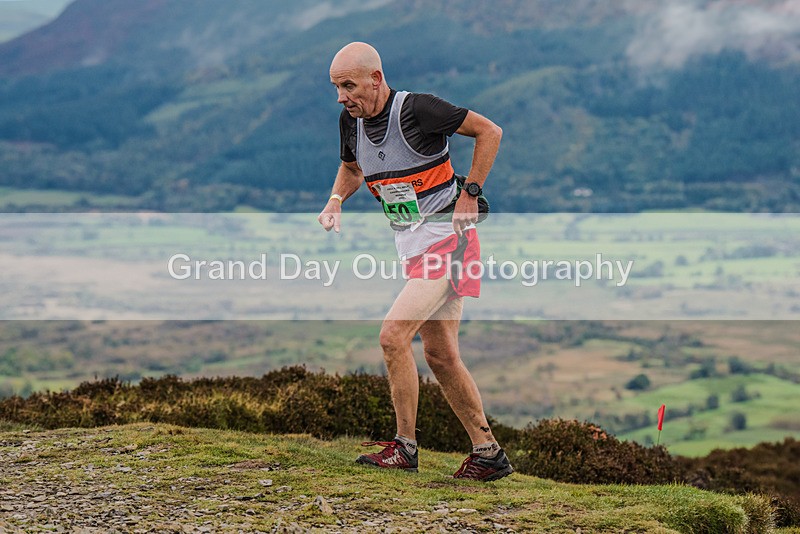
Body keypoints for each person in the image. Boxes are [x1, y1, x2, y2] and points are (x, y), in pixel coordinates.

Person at [317, 42, 512, 481]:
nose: (342, 97)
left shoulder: (419, 109)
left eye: (348, 85)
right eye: (336, 88)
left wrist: (471, 193)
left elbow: (490, 132)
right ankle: (488, 453)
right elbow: (352, 170)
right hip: (413, 248)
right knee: (441, 356)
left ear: (376, 79)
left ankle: (405, 447)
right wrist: (335, 200)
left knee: (392, 336)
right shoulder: (350, 123)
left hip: (449, 243)